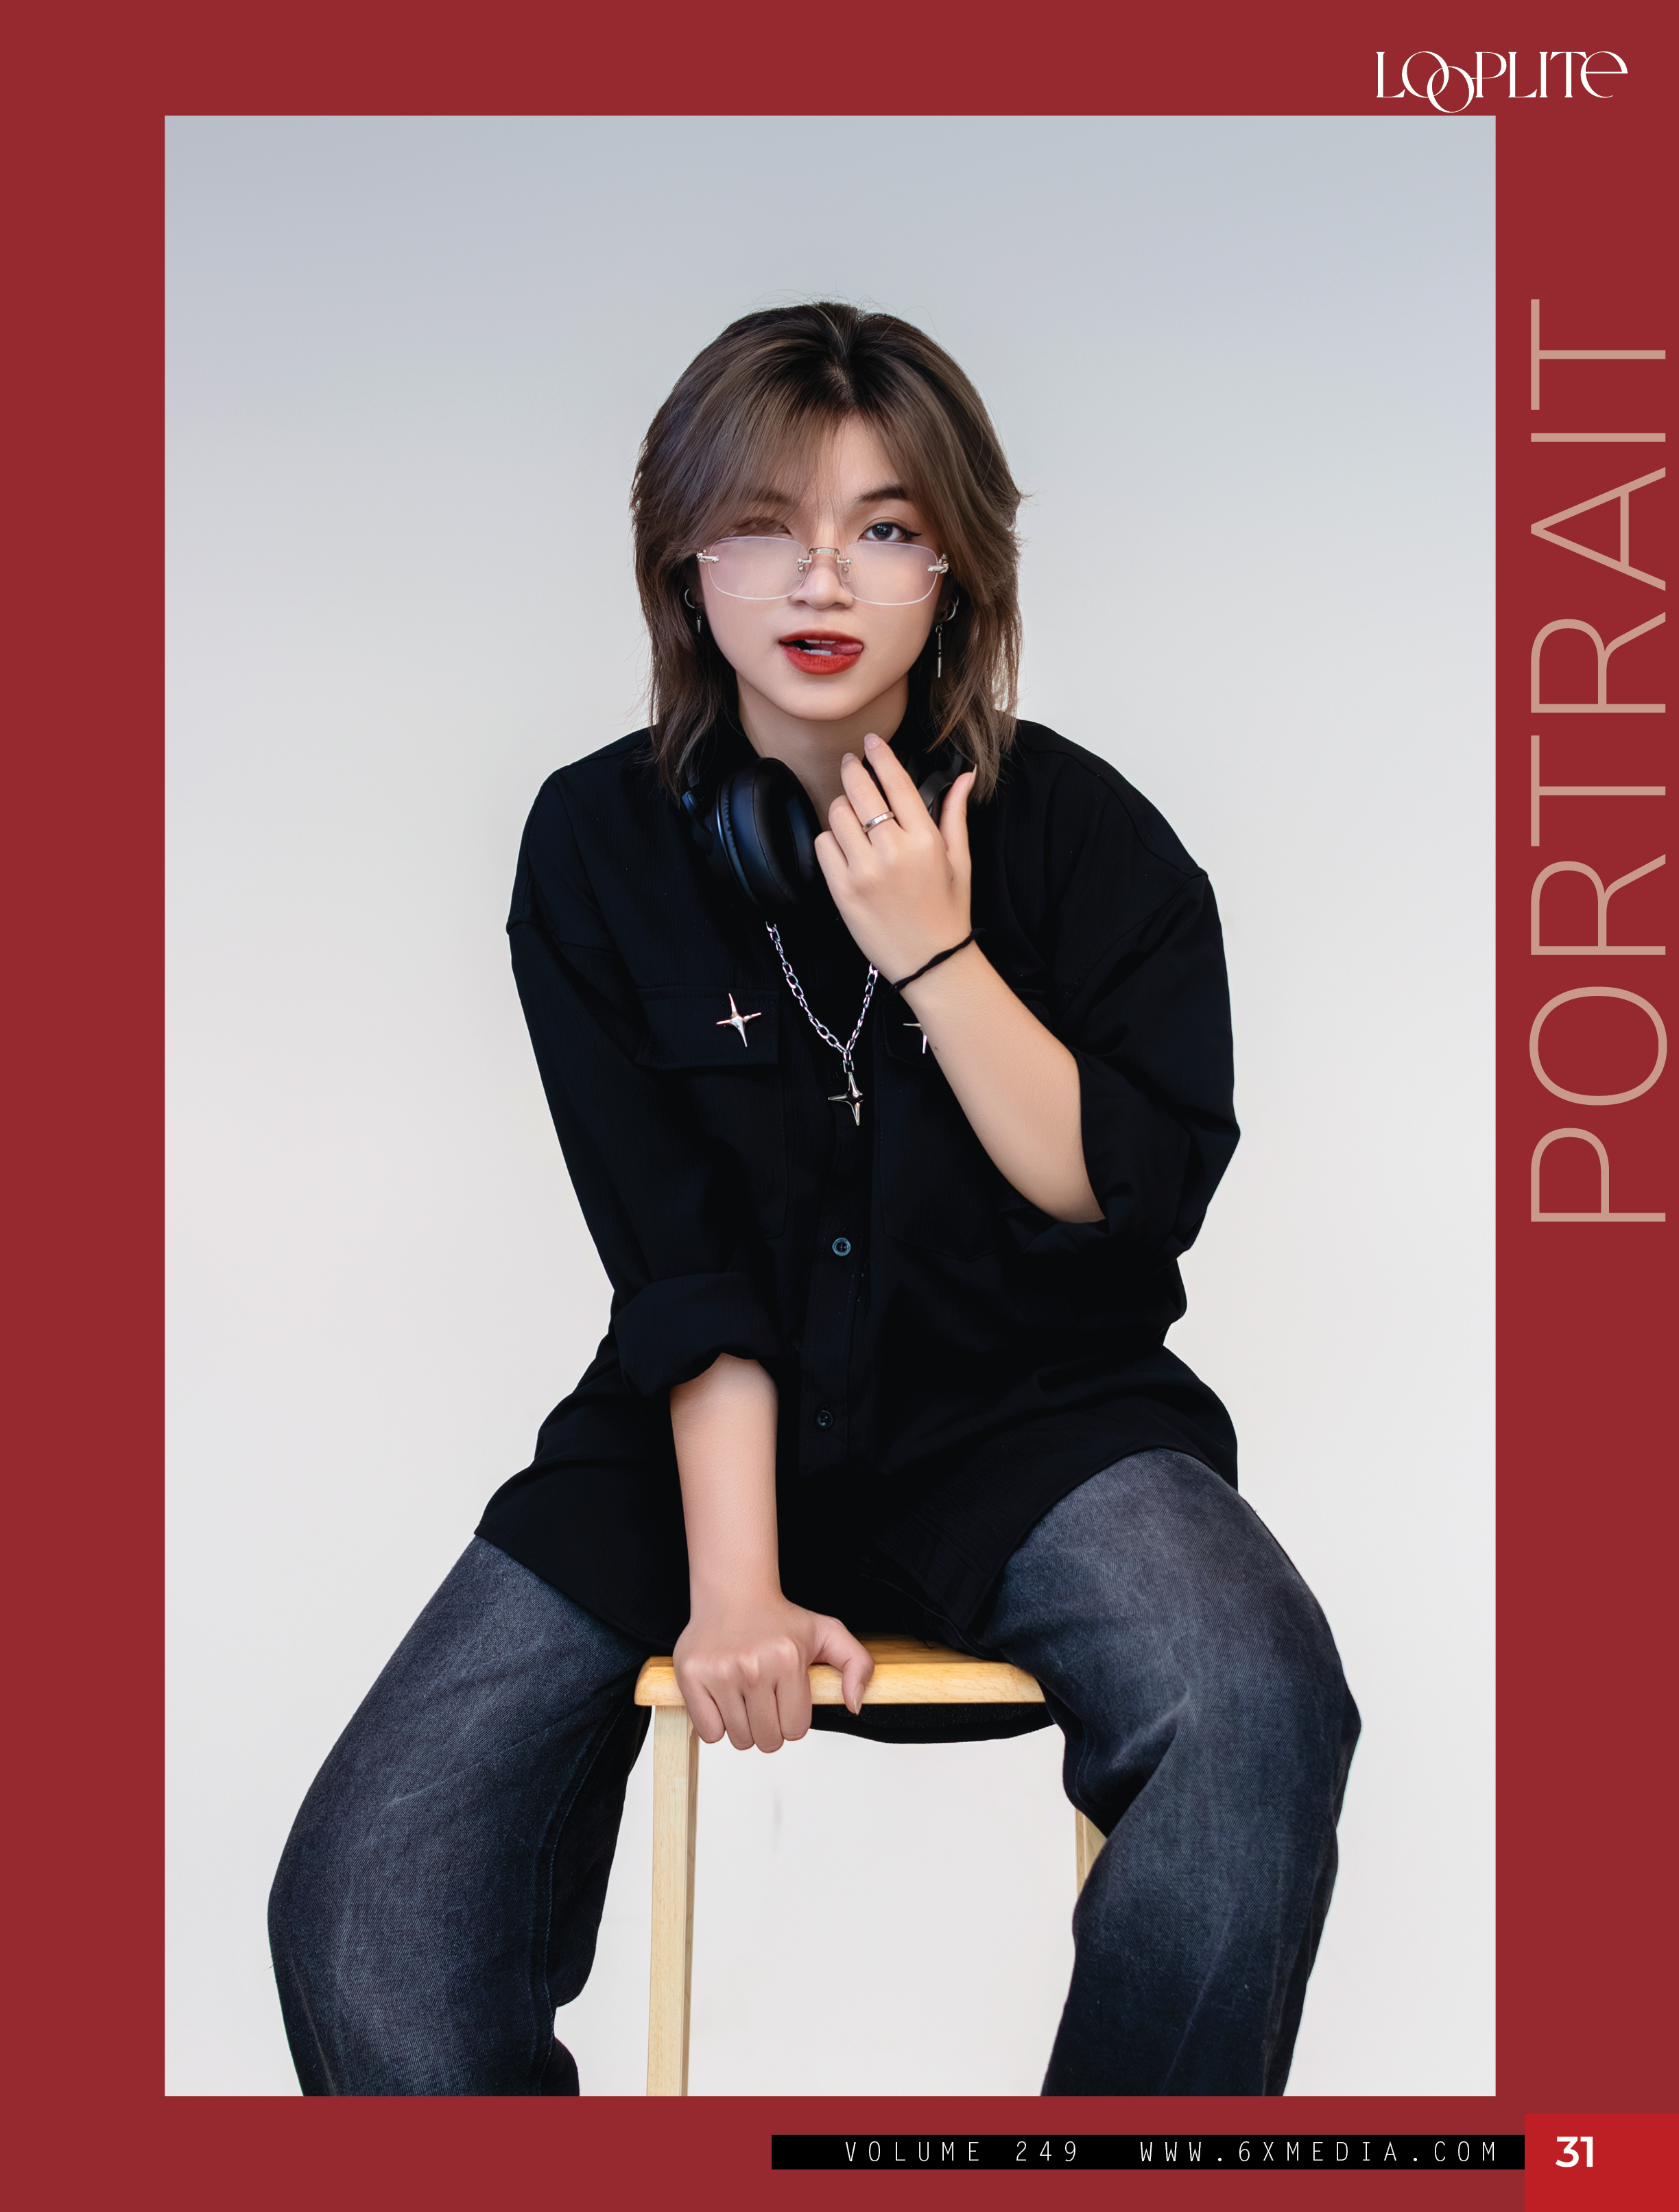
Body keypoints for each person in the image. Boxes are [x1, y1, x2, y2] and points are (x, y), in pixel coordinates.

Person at [268, 301, 1359, 2097]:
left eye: (884, 525)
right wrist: (739, 1584)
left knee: (1251, 1698)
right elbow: (677, 1257)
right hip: (688, 1440)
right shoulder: (595, 846)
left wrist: (932, 948)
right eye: (764, 520)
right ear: (685, 558)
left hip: (1036, 1421)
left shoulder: (1093, 844)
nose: (819, 574)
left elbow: (1124, 1195)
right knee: (364, 1907)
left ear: (958, 570)